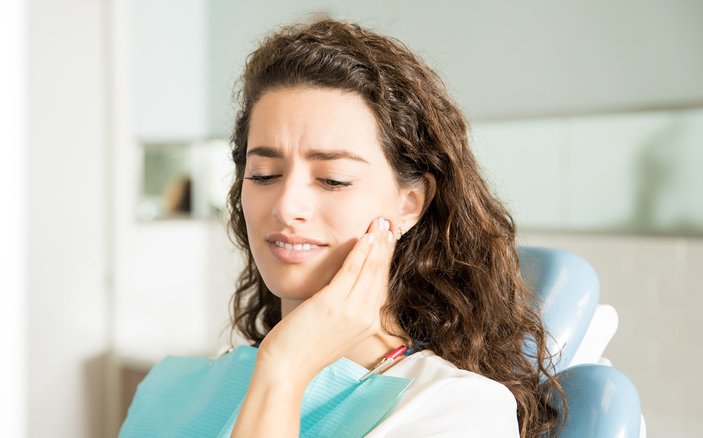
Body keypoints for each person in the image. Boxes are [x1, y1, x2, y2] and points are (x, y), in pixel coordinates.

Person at [122, 18, 563, 438]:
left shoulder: (454, 410)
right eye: (263, 174)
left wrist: (286, 371)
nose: (286, 205)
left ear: (409, 203)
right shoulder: (169, 389)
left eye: (332, 179)